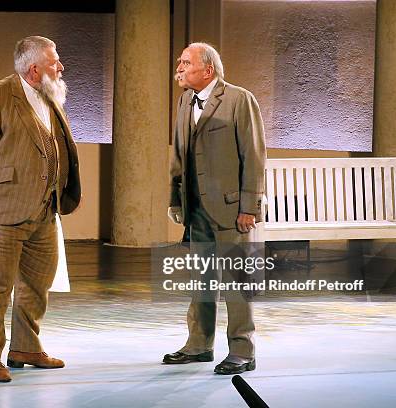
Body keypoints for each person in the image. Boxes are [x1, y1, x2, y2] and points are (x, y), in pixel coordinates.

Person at [0, 36, 81, 382]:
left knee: (37, 284)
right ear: (34, 69)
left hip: (46, 209)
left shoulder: (51, 95)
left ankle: (25, 347)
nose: (60, 67)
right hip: (4, 210)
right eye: (54, 62)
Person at [165, 42, 266, 375]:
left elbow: (253, 156)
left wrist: (249, 206)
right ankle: (198, 345)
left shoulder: (239, 100)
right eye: (180, 62)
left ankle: (242, 350)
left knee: (237, 284)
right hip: (196, 209)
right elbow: (179, 155)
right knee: (201, 281)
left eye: (185, 63)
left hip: (230, 208)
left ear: (207, 70)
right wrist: (176, 198)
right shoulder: (184, 101)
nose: (178, 67)